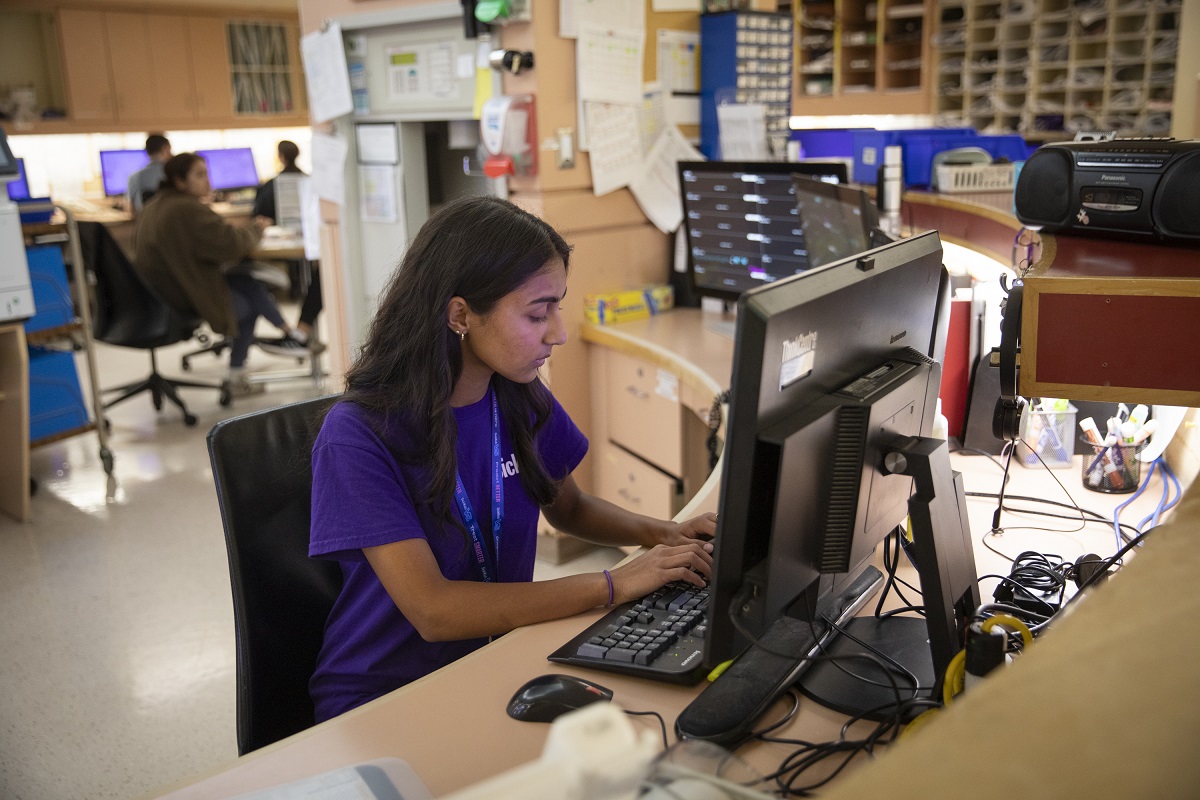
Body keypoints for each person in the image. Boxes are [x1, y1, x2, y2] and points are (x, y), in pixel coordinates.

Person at [309, 195, 716, 721]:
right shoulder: (359, 434)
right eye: (537, 313)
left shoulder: (516, 395)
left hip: (500, 659)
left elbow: (566, 508)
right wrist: (614, 585)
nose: (559, 333)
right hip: (387, 696)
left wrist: (661, 535)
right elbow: (433, 610)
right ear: (461, 315)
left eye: (557, 307)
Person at [134, 152, 307, 397]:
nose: (208, 181)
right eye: (200, 175)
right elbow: (231, 245)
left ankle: (288, 334)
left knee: (246, 282)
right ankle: (274, 347)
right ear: (179, 181)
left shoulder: (158, 205)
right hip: (183, 299)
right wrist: (257, 228)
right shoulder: (186, 209)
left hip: (162, 295)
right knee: (249, 301)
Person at [252, 140, 322, 350]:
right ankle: (299, 333)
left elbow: (257, 215)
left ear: (280, 157)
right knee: (321, 275)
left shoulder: (270, 186)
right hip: (305, 243)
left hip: (279, 244)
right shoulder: (309, 182)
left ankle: (297, 333)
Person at [127, 134, 171, 214]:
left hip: (144, 222)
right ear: (165, 149)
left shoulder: (134, 177)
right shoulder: (172, 174)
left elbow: (131, 209)